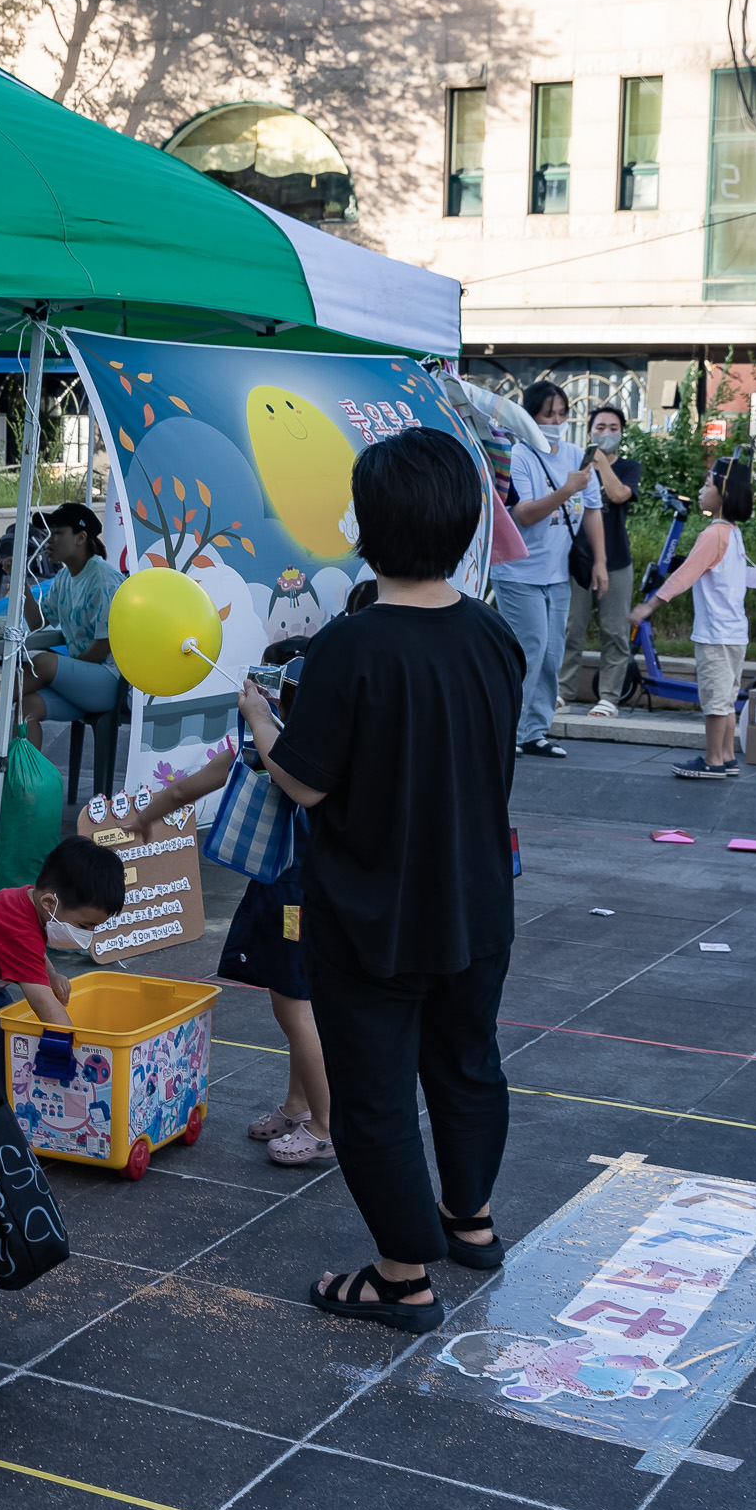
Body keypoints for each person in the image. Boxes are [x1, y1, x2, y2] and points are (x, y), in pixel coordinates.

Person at [255, 427, 525, 1333]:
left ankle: (401, 1277)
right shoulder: (493, 635)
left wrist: (262, 721)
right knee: (467, 1065)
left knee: (374, 1096)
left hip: (372, 910)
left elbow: (304, 780)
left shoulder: (350, 646)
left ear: (367, 527)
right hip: (476, 897)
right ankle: (470, 1220)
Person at [140, 638, 332, 1165]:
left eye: (267, 686)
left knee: (297, 1009)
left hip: (298, 899)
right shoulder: (275, 744)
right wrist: (144, 815)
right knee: (290, 998)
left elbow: (191, 789)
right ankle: (297, 1107)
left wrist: (141, 819)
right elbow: (185, 789)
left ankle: (324, 1125)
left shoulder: (289, 751)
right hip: (285, 890)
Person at [0, 503, 118, 755]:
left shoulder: (103, 579)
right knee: (26, 707)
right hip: (83, 683)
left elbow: (102, 647)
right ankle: (22, 785)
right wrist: (20, 580)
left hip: (110, 682)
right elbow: (36, 621)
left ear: (81, 538)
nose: (48, 540)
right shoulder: (64, 579)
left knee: (42, 663)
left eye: (57, 533)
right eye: (49, 532)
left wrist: (60, 675)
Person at [629, 456, 756, 779]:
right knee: (726, 699)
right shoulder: (734, 534)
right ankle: (727, 757)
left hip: (715, 634)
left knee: (715, 701)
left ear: (724, 494)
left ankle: (713, 760)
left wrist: (649, 606)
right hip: (735, 633)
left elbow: (685, 575)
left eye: (708, 485)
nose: (702, 491)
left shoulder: (713, 535)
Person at [0, 837, 125, 1029]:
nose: (88, 934)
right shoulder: (17, 929)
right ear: (49, 903)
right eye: (83, 926)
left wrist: (51, 974)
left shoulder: (31, 904)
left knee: (7, 1013)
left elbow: (33, 950)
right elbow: (44, 1004)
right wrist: (81, 1046)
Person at [497, 380, 590, 759]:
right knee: (529, 651)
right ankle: (509, 730)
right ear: (529, 417)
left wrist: (599, 562)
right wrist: (566, 490)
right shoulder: (517, 455)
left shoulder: (575, 453)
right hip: (520, 573)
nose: (556, 420)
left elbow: (594, 510)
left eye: (562, 413)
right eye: (547, 414)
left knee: (552, 655)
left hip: (557, 575)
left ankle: (535, 731)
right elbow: (525, 514)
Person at [561, 405, 641, 718]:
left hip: (617, 561)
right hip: (577, 558)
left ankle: (609, 696)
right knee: (571, 628)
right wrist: (588, 462)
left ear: (621, 433)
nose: (605, 433)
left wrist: (601, 462)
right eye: (600, 427)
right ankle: (563, 692)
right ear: (589, 429)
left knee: (614, 631)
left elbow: (619, 495)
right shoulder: (574, 462)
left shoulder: (629, 467)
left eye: (612, 428)